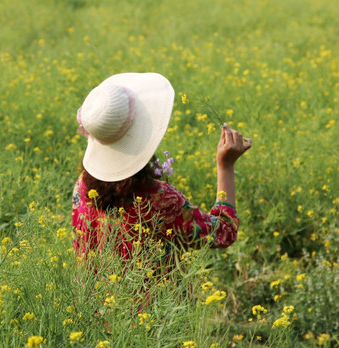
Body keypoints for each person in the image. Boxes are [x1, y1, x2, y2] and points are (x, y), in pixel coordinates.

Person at [72, 73, 251, 262]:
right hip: (156, 293)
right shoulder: (160, 201)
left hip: (97, 292)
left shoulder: (82, 185)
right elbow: (224, 231)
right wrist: (226, 166)